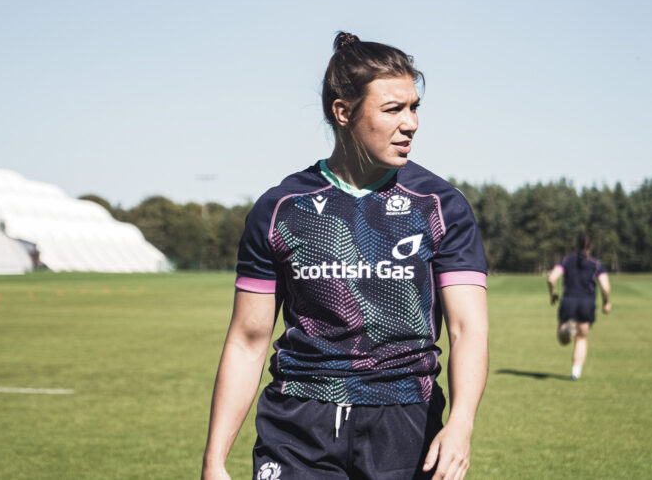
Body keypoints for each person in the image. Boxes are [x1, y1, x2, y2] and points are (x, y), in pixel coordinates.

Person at [202, 32, 489, 480]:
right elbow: (247, 339)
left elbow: (468, 328)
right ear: (343, 112)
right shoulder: (280, 209)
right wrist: (214, 460)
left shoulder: (440, 206)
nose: (411, 123)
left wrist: (462, 422)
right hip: (298, 426)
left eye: (414, 107)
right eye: (393, 109)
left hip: (406, 424)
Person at [547, 231, 611, 381]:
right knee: (581, 338)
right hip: (587, 304)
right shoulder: (596, 264)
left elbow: (551, 278)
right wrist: (606, 303)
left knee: (564, 341)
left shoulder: (566, 260)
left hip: (568, 301)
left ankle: (567, 329)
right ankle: (575, 372)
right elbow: (605, 287)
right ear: (591, 246)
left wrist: (553, 294)